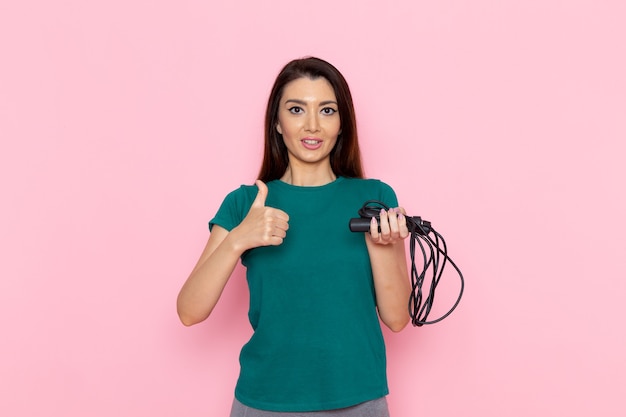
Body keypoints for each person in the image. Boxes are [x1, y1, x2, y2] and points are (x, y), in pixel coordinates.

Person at [177, 57, 411, 417]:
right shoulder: (246, 202)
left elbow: (397, 319)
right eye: (297, 109)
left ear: (342, 124)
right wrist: (239, 239)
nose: (313, 125)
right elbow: (189, 311)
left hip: (358, 399)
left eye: (327, 110)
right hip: (264, 401)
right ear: (277, 123)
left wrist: (383, 245)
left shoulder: (375, 199)